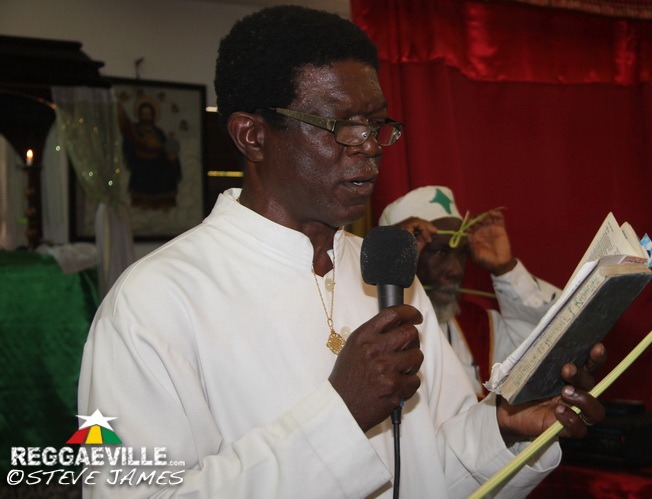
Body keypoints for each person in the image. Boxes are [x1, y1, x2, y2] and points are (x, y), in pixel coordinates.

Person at [78, 6, 606, 498]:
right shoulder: (152, 303)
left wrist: (504, 429)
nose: (370, 146)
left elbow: (431, 466)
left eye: (376, 124)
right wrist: (340, 414)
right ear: (252, 136)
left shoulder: (387, 268)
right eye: (341, 125)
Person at [379, 186, 561, 396]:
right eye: (440, 251)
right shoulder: (371, 327)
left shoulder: (481, 325)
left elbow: (544, 357)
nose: (456, 270)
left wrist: (505, 270)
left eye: (462, 253)